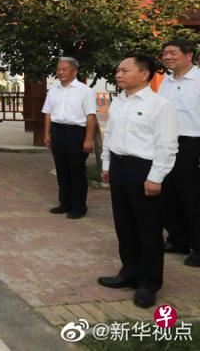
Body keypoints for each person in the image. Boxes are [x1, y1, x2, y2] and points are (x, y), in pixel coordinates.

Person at [98, 54, 178, 309]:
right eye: (118, 70)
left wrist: (156, 177)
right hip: (120, 167)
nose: (119, 74)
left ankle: (149, 282)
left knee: (148, 228)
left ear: (144, 74)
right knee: (125, 224)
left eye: (125, 70)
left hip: (144, 169)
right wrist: (107, 164)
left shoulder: (160, 105)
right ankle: (129, 272)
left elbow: (167, 145)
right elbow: (110, 135)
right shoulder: (119, 102)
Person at [158, 39, 200, 266]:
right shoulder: (166, 81)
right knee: (168, 195)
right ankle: (178, 239)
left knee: (192, 198)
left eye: (173, 53)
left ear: (189, 55)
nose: (167, 57)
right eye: (165, 53)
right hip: (167, 144)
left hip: (192, 145)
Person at [42, 57, 98, 219]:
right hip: (58, 132)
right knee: (61, 169)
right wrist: (47, 134)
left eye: (64, 69)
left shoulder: (85, 91)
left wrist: (88, 140)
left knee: (77, 171)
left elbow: (91, 117)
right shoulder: (54, 89)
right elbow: (48, 114)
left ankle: (79, 206)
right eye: (59, 69)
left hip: (77, 133)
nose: (60, 72)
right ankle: (64, 203)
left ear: (75, 71)